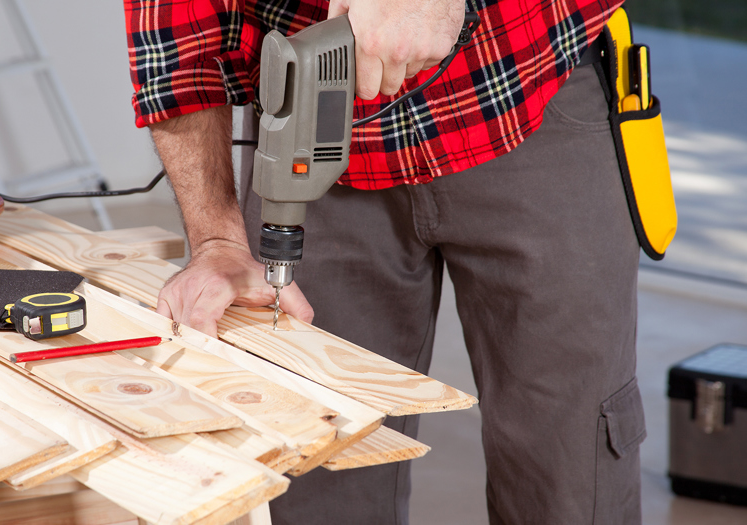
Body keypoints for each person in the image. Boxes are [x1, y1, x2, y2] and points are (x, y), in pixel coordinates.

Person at [123, 0, 646, 523]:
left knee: (572, 471)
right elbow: (176, 40)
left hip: (523, 85)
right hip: (316, 125)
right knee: (319, 463)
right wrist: (217, 238)